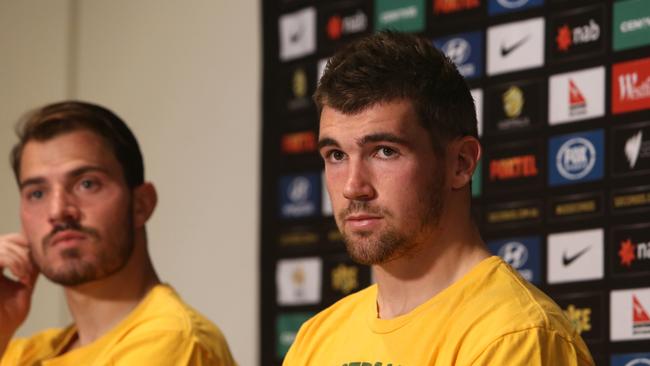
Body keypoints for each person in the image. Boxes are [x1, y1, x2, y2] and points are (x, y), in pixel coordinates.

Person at [283, 31, 594, 365]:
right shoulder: (317, 338)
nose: (353, 187)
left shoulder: (516, 337)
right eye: (336, 155)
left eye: (384, 152)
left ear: (460, 163)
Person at [0, 101, 236, 365]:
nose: (57, 211)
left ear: (141, 204)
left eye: (86, 184)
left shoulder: (171, 339)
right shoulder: (25, 352)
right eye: (37, 193)